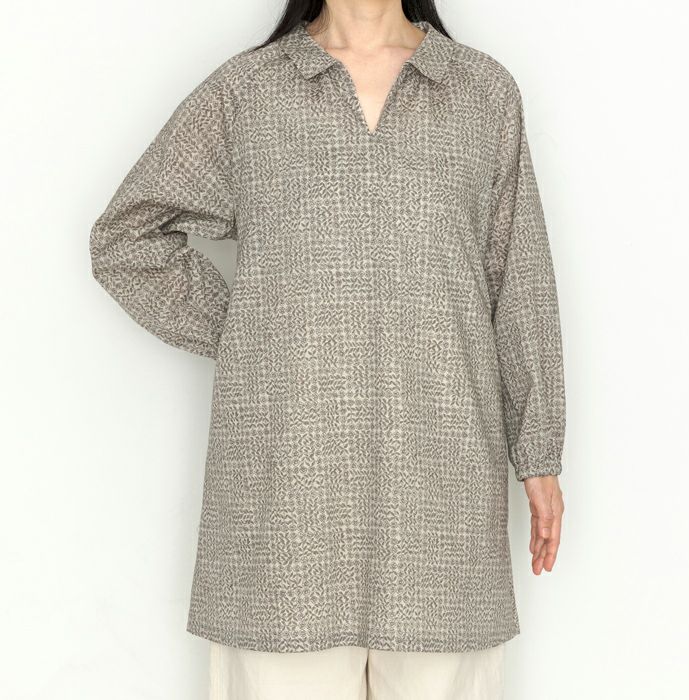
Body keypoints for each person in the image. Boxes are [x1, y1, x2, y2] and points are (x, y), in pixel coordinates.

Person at [89, 0, 566, 697]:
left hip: (443, 493)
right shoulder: (248, 93)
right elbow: (126, 238)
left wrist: (539, 449)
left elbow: (519, 279)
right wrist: (251, 330)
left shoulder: (481, 92)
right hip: (283, 504)